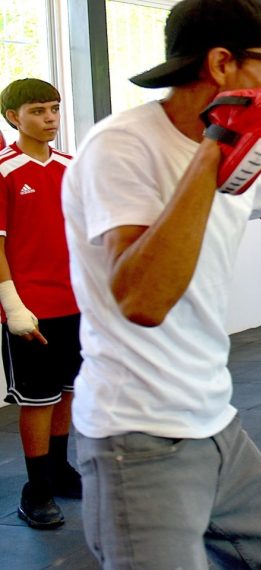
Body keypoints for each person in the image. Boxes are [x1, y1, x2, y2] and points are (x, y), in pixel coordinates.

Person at [61, 0, 261, 566]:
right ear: (222, 64)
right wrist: (213, 152)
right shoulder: (123, 147)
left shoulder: (241, 153)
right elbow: (142, 298)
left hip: (216, 424)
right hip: (134, 436)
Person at [0, 78, 82, 530]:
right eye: (38, 111)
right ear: (14, 116)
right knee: (38, 399)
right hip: (31, 309)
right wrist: (13, 306)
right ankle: (36, 490)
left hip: (74, 301)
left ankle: (60, 469)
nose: (49, 119)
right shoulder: (4, 170)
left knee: (68, 389)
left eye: (54, 109)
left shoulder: (71, 166)